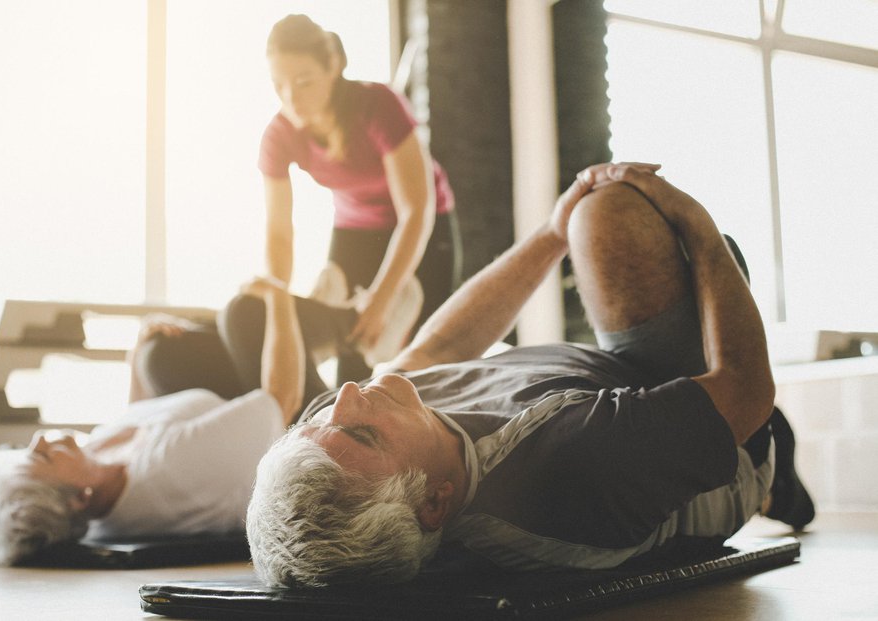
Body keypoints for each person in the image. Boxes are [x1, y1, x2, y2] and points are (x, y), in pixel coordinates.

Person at [247, 163, 816, 586]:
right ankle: (777, 471)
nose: (345, 396)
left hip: (607, 386)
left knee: (584, 220)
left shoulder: (381, 435)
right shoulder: (567, 465)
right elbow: (746, 390)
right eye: (361, 432)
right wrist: (698, 225)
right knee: (612, 213)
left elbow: (441, 344)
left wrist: (551, 232)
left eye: (318, 420)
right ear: (435, 505)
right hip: (735, 439)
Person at [0, 277, 309, 565]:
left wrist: (138, 351)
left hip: (216, 403)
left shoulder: (98, 477)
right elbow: (283, 398)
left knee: (157, 353)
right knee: (246, 312)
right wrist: (278, 294)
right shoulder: (174, 467)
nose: (39, 440)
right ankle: (347, 322)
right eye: (41, 456)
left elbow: (136, 415)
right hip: (293, 416)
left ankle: (339, 318)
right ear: (78, 501)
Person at [260, 14, 462, 383]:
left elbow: (416, 210)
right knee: (351, 350)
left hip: (424, 225)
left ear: (332, 66)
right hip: (354, 227)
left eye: (303, 82)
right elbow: (278, 233)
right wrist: (278, 305)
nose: (292, 98)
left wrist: (382, 300)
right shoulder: (278, 136)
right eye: (279, 85)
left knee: (424, 353)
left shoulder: (379, 106)